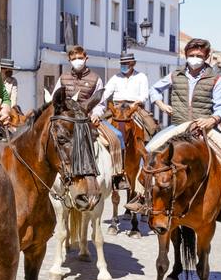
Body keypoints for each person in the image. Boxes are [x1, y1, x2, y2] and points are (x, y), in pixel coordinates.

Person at [145, 38, 221, 226]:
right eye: (192, 55)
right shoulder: (174, 75)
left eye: (199, 56)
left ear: (206, 57)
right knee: (150, 150)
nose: (195, 59)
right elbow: (154, 89)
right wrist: (160, 103)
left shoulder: (215, 79)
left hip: (205, 128)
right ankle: (142, 197)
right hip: (179, 126)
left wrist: (212, 119)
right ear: (186, 56)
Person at [51, 45, 125, 188]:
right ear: (69, 60)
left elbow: (101, 103)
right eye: (74, 58)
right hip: (67, 120)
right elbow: (54, 100)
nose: (77, 61)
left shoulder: (95, 78)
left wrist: (96, 114)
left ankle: (118, 175)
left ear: (86, 58)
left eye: (80, 58)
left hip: (88, 118)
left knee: (117, 137)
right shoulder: (63, 78)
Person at [94, 50, 157, 209]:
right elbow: (106, 93)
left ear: (133, 64)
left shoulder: (141, 77)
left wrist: (134, 105)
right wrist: (97, 102)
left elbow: (144, 96)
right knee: (99, 126)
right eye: (122, 64)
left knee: (151, 125)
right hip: (116, 107)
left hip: (134, 107)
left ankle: (148, 159)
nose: (124, 66)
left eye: (127, 64)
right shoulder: (115, 78)